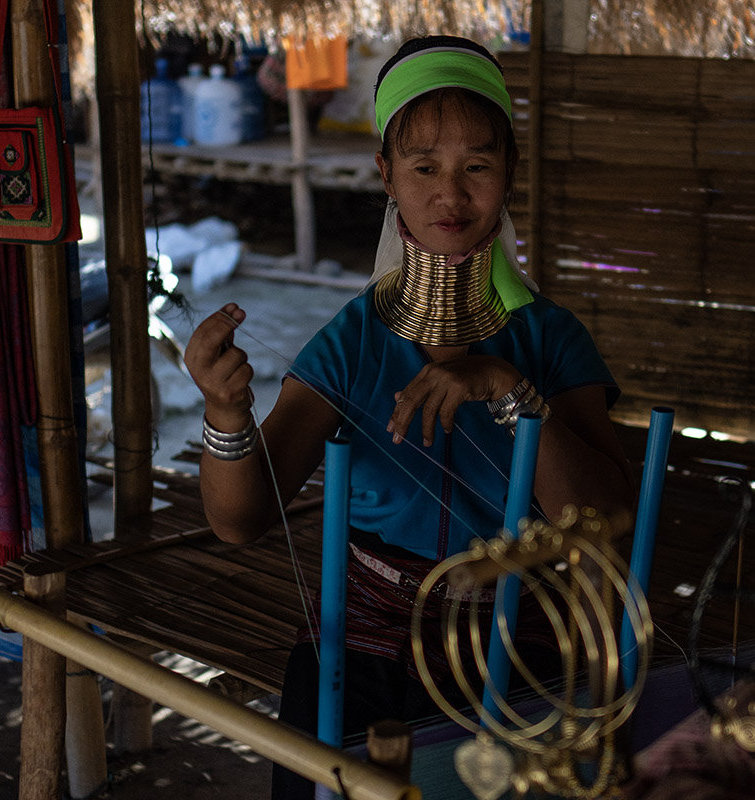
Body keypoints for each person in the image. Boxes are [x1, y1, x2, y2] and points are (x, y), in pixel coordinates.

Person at [183, 35, 635, 798]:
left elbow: (604, 521)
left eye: (476, 166)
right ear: (385, 175)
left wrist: (508, 388)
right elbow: (240, 520)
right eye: (423, 167)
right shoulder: (353, 344)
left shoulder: (549, 341)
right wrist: (225, 411)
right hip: (360, 647)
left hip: (517, 642)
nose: (449, 196)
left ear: (509, 172)